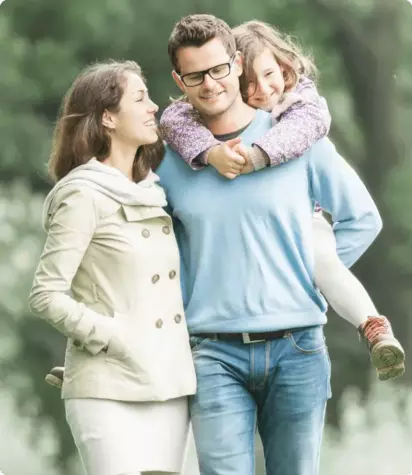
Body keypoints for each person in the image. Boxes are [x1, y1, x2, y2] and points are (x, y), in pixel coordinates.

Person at [156, 14, 383, 475]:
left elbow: (363, 219)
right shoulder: (170, 160)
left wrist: (309, 275)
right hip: (212, 352)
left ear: (236, 64)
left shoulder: (298, 141)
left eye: (218, 69)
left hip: (297, 348)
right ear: (179, 80)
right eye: (195, 75)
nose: (210, 84)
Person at [28, 60, 196, 475]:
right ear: (107, 117)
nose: (154, 106)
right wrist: (113, 337)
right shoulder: (83, 193)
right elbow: (46, 294)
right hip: (106, 387)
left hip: (168, 385)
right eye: (140, 98)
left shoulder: (155, 191)